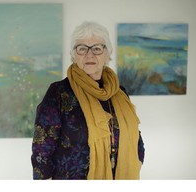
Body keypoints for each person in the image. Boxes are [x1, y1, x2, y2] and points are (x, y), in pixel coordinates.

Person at [31, 21, 145, 180]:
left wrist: (138, 159)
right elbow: (42, 148)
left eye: (97, 48)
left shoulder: (120, 92)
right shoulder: (59, 92)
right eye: (82, 48)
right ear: (73, 54)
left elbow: (136, 136)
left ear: (107, 54)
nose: (89, 55)